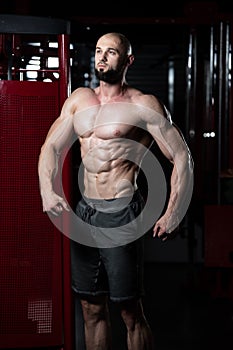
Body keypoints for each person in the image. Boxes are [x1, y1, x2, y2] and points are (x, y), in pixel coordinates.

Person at [38, 32, 194, 350]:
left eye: (111, 52)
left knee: (128, 311)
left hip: (121, 210)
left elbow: (182, 156)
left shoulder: (143, 104)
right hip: (85, 213)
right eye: (98, 51)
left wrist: (174, 211)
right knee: (90, 308)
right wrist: (47, 191)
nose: (103, 56)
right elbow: (50, 147)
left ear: (128, 60)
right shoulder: (79, 100)